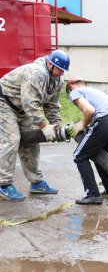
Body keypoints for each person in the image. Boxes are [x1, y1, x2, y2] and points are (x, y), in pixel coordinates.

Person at [0, 50, 69, 201]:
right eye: (59, 69)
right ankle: (3, 185)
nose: (61, 73)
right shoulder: (35, 72)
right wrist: (44, 127)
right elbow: (30, 104)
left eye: (64, 70)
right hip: (4, 102)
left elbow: (52, 105)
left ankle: (36, 182)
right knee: (12, 140)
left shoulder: (57, 79)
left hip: (22, 108)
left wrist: (56, 127)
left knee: (31, 141)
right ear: (50, 64)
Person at [66, 76, 108, 205]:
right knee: (99, 155)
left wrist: (81, 125)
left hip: (106, 123)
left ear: (70, 87)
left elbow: (89, 111)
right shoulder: (94, 91)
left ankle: (92, 194)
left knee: (79, 156)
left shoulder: (75, 92)